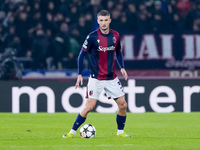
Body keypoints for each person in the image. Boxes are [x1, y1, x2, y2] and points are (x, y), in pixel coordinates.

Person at [63, 10, 131, 138]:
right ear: (97, 21)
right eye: (101, 20)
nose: (103, 23)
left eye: (106, 20)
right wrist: (79, 74)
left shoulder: (115, 35)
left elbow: (118, 52)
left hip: (111, 77)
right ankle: (71, 132)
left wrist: (122, 67)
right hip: (96, 77)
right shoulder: (92, 37)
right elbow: (81, 55)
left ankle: (120, 132)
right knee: (89, 106)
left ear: (109, 20)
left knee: (123, 105)